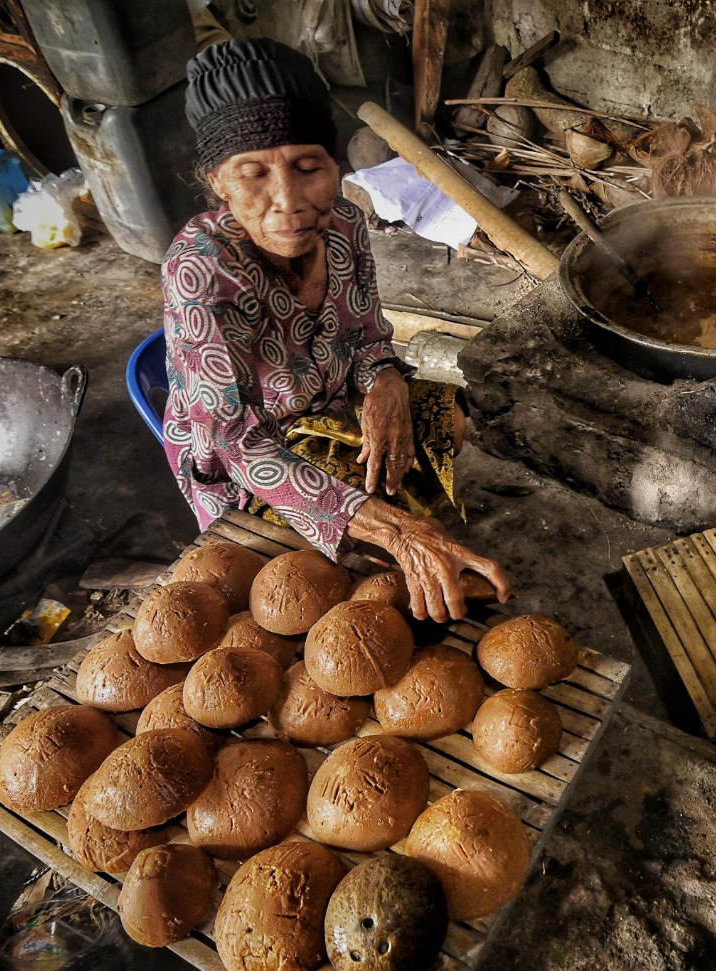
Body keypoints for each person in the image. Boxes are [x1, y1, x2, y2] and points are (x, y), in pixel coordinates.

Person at [161, 37, 512, 622]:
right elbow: (233, 440)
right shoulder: (201, 270)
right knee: (317, 589)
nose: (289, 202)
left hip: (335, 406)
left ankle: (403, 523)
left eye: (308, 168)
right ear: (217, 183)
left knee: (446, 417)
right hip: (249, 456)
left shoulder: (344, 223)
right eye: (253, 175)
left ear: (335, 166)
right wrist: (396, 532)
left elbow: (369, 336)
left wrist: (385, 384)